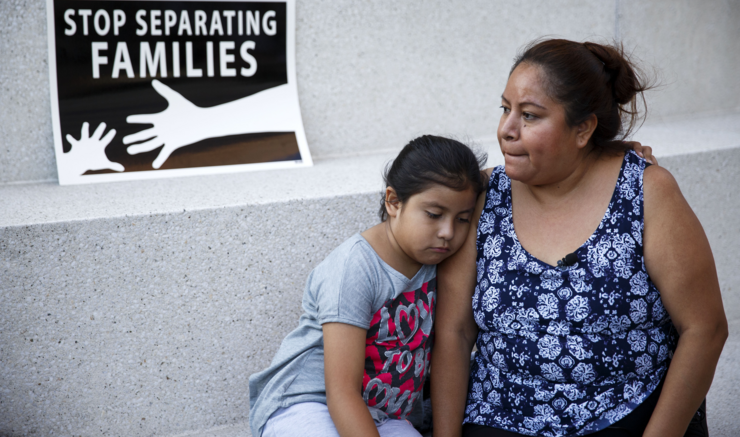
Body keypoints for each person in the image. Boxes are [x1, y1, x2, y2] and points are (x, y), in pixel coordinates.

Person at [431, 39, 728, 437]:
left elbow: (704, 329)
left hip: (626, 411)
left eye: (530, 116)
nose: (506, 129)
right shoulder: (484, 197)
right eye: (505, 109)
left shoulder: (645, 192)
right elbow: (454, 331)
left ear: (583, 129)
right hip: (502, 415)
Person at [248, 135, 487, 437]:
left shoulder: (440, 264)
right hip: (309, 403)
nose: (448, 232)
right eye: (434, 215)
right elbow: (342, 392)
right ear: (394, 202)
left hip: (386, 416)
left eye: (463, 219)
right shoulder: (356, 267)